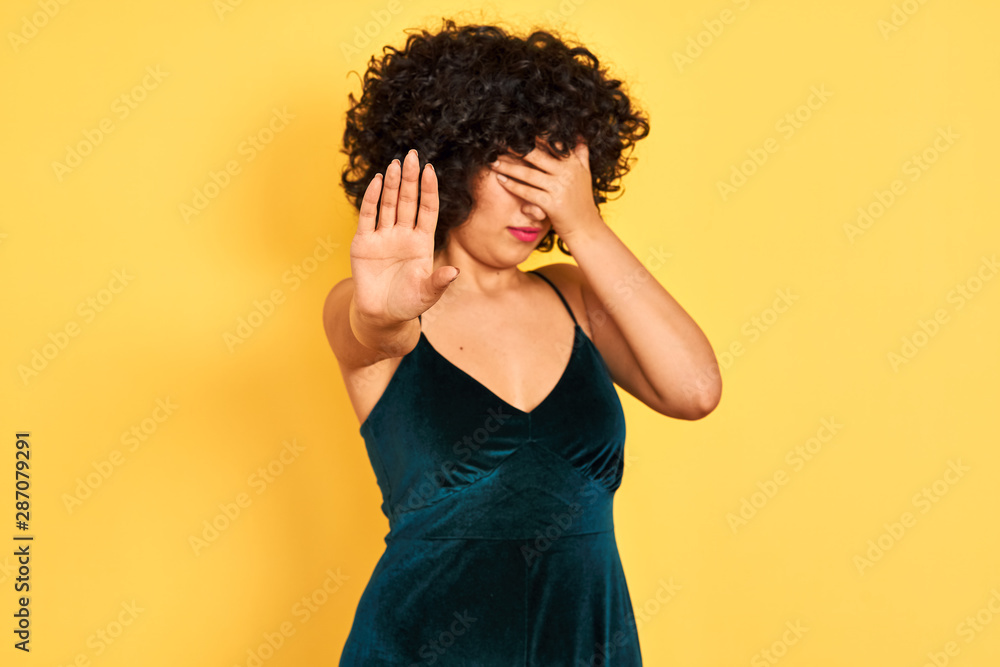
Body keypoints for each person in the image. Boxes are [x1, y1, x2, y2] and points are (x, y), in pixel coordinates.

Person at [323, 19, 721, 665]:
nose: (537, 207)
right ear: (448, 165)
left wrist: (586, 228)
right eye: (517, 177)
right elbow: (370, 333)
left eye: (555, 182)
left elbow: (695, 390)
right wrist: (384, 312)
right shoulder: (365, 303)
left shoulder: (575, 296)